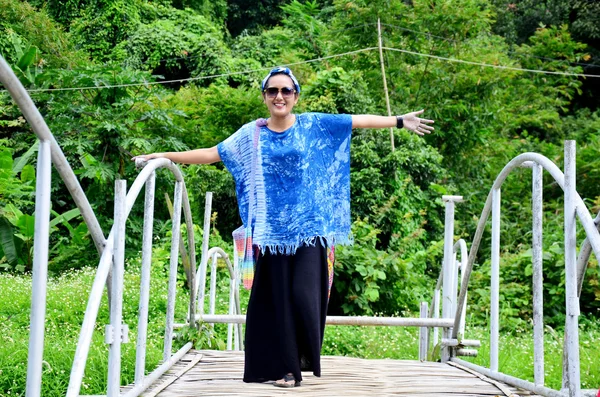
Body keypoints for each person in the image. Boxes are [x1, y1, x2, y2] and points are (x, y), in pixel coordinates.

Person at [133, 66, 434, 388]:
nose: (279, 96)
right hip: (271, 233)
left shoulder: (313, 125)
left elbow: (356, 120)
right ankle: (287, 368)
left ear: (295, 96)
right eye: (272, 91)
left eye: (285, 91)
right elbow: (211, 154)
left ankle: (303, 358)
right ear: (264, 97)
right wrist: (162, 155)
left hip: (310, 229)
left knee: (304, 295)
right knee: (276, 299)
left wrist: (400, 121)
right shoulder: (251, 134)